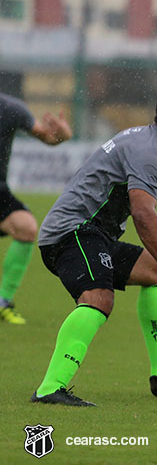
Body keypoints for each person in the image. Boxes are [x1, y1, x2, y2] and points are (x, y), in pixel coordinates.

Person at [31, 84, 157, 406]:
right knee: (99, 298)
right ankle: (50, 388)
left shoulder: (145, 142)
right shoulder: (148, 152)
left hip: (92, 234)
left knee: (154, 272)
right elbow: (143, 213)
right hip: (71, 232)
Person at [0, 92, 73, 324]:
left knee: (26, 227)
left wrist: (63, 134)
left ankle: (3, 301)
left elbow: (48, 137)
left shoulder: (11, 109)